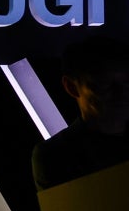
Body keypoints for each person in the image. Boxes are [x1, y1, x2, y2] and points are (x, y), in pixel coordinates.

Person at [32, 36, 129, 190]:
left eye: (127, 82)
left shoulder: (55, 154)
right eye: (103, 83)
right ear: (71, 87)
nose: (121, 92)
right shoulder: (56, 156)